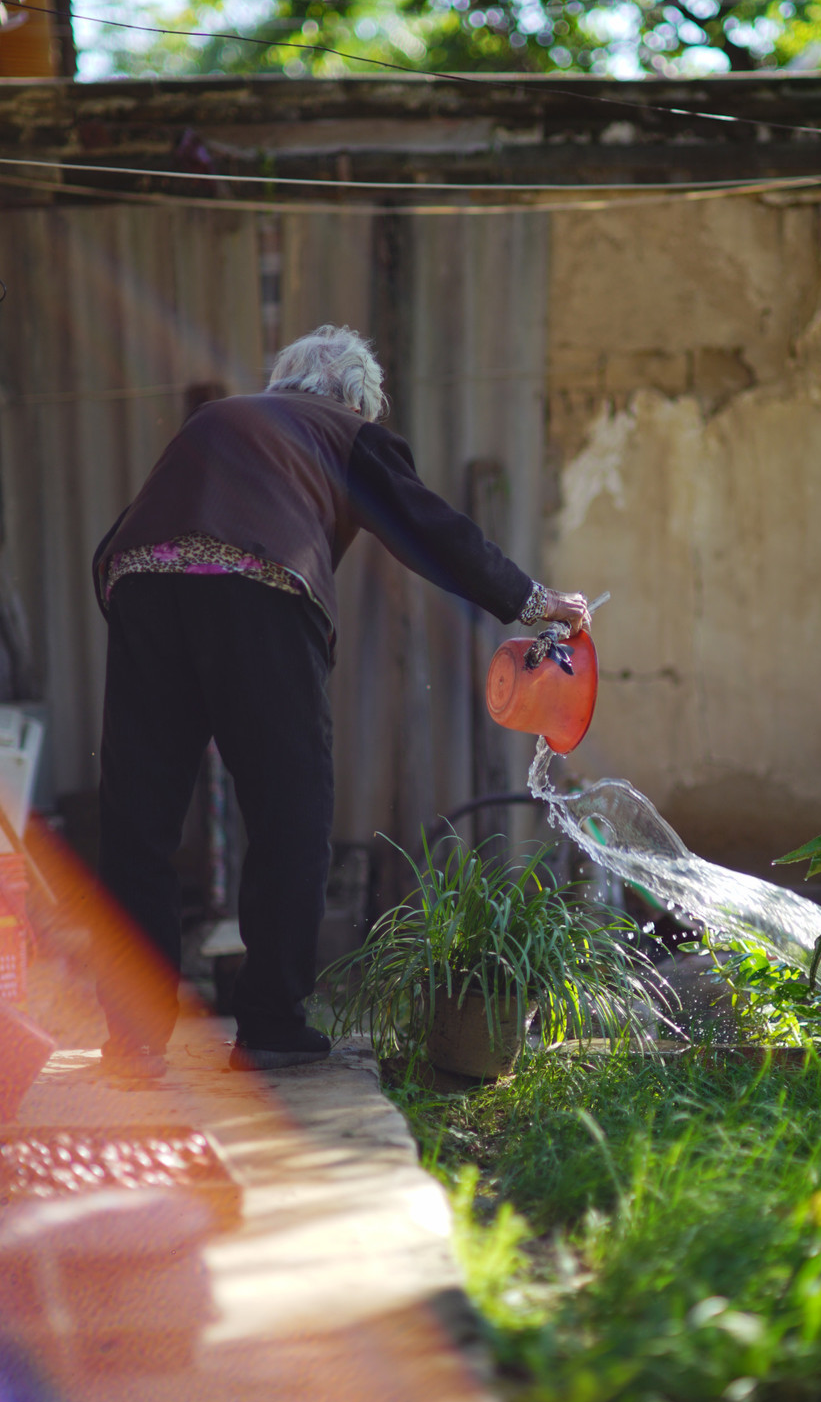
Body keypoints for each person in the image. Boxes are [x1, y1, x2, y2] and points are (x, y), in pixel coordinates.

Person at [92, 324, 590, 1077]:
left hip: (139, 585)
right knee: (292, 809)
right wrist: (536, 600)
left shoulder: (218, 419)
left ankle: (130, 1035)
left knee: (139, 819)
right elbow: (433, 531)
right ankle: (270, 1025)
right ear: (360, 402)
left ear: (285, 380)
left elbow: (124, 534)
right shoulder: (346, 432)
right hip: (259, 592)